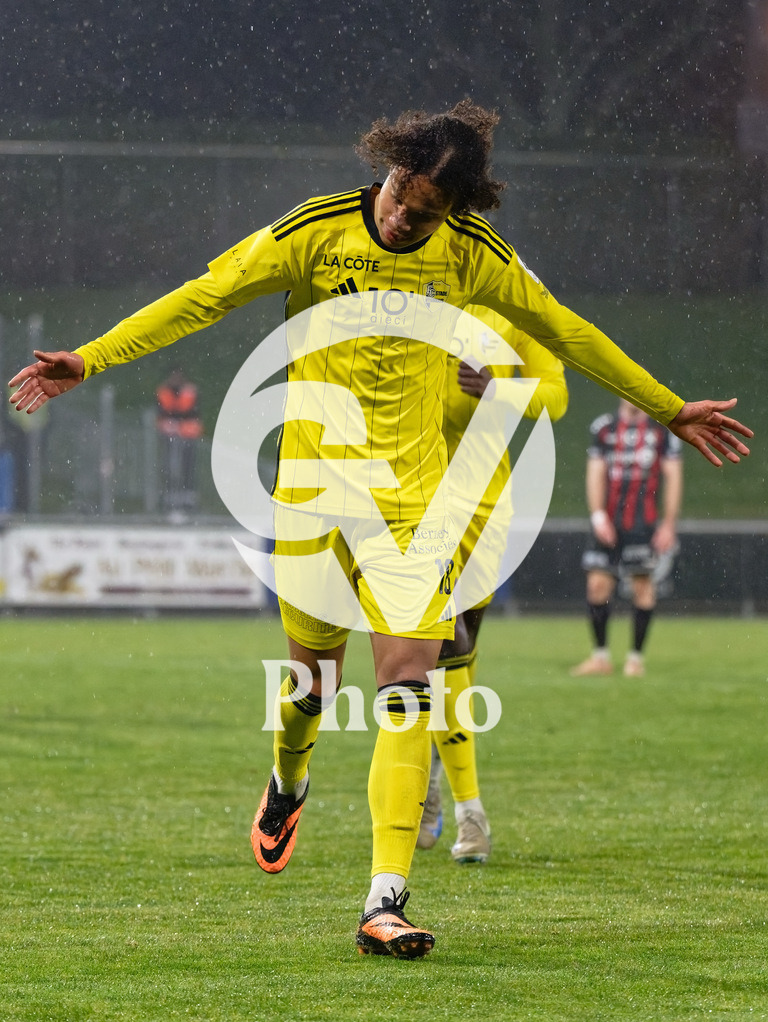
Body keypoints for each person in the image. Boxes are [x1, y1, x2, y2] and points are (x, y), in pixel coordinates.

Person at [8, 101, 752, 961]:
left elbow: (568, 333)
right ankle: (289, 778)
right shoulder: (316, 232)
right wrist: (90, 359)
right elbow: (204, 297)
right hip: (314, 493)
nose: (405, 214)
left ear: (455, 215)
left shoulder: (474, 256)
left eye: (427, 210)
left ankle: (384, 899)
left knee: (409, 685)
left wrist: (667, 409)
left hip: (414, 507)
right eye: (402, 192)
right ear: (388, 167)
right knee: (309, 689)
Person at [418, 306, 569, 863]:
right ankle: (470, 813)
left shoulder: (510, 306)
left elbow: (556, 394)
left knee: (460, 654)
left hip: (483, 504)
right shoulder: (407, 292)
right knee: (441, 648)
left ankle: (432, 779)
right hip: (413, 500)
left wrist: (501, 391)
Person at [570, 398, 683, 679]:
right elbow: (595, 472)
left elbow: (674, 476)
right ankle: (600, 658)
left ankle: (635, 659)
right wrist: (598, 516)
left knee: (642, 587)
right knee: (597, 585)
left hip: (643, 524)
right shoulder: (604, 427)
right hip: (608, 521)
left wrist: (668, 524)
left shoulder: (661, 432)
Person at [155, 367, 204, 513]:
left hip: (187, 434)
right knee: (170, 466)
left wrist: (177, 419)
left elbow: (193, 410)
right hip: (170, 434)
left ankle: (187, 497)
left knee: (187, 466)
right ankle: (171, 496)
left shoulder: (190, 391)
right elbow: (162, 410)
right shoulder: (164, 391)